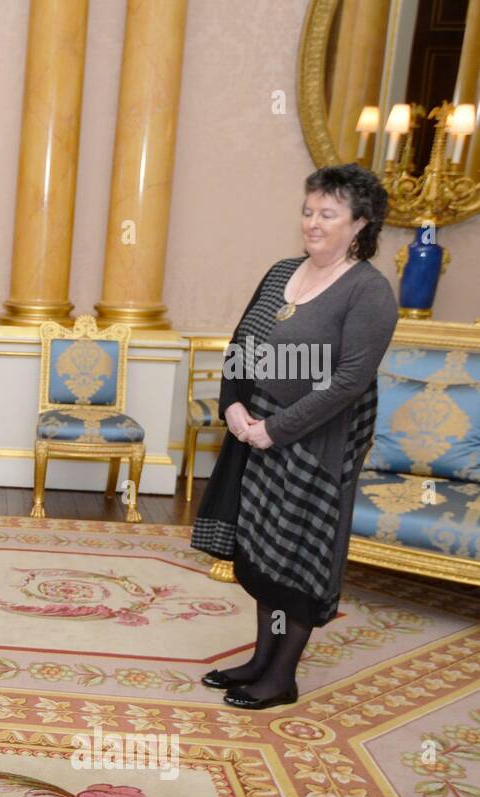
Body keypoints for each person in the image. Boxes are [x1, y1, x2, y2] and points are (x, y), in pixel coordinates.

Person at [193, 164, 398, 710]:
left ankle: (281, 678)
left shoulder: (368, 292)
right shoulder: (282, 270)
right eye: (308, 211)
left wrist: (274, 430)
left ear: (360, 223)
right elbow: (241, 343)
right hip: (254, 431)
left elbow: (351, 380)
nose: (312, 222)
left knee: (297, 560)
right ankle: (261, 659)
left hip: (315, 446)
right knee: (262, 553)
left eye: (327, 214)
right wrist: (234, 406)